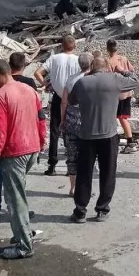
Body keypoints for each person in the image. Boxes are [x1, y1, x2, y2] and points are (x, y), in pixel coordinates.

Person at [0, 59, 46, 259]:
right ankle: (22, 234)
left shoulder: (0, 96)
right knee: (17, 193)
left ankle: (24, 246)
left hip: (15, 151)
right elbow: (41, 118)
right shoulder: (29, 90)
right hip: (32, 148)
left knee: (14, 198)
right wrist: (42, 141)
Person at [68, 56, 139, 223]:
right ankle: (102, 209)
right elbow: (135, 81)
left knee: (84, 174)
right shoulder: (114, 79)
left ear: (92, 66)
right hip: (108, 135)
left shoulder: (82, 82)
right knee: (108, 173)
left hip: (86, 135)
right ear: (107, 67)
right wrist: (123, 70)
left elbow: (72, 101)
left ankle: (80, 211)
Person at [35, 35, 81, 176]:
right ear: (74, 46)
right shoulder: (78, 60)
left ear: (61, 45)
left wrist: (45, 84)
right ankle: (71, 166)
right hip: (74, 98)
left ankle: (52, 165)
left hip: (57, 96)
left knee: (54, 130)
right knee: (73, 131)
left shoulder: (54, 59)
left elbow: (37, 72)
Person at [60, 50, 93, 196]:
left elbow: (64, 102)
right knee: (89, 157)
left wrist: (62, 120)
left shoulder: (71, 79)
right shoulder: (92, 79)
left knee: (72, 156)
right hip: (88, 123)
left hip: (71, 121)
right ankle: (86, 188)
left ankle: (72, 188)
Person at [106, 39, 138, 152]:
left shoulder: (109, 62)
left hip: (116, 94)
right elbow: (132, 70)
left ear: (107, 48)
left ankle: (128, 141)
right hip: (128, 92)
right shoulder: (124, 58)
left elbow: (108, 79)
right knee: (123, 117)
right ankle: (129, 141)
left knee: (119, 117)